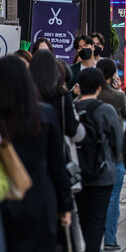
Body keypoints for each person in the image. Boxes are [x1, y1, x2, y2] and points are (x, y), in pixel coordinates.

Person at [0, 56, 73, 252]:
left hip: (4, 196)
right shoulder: (44, 113)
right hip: (39, 196)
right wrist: (65, 205)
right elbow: (58, 164)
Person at [75, 68, 123, 252]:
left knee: (84, 218)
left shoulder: (72, 108)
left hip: (79, 172)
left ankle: (90, 246)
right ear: (100, 87)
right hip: (103, 173)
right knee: (97, 218)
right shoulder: (107, 110)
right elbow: (117, 143)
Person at [96, 58, 126, 251]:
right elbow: (125, 114)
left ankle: (93, 239)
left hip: (93, 154)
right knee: (113, 198)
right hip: (116, 154)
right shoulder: (117, 96)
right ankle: (110, 239)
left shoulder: (88, 95)